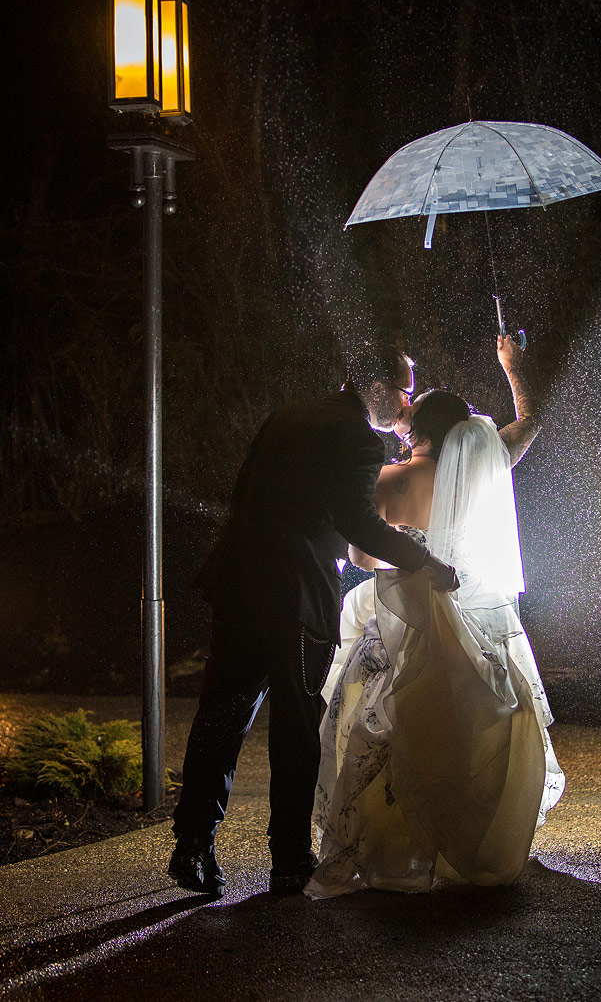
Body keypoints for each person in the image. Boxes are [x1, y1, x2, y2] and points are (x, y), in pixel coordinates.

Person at [168, 343, 458, 899]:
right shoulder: (356, 439)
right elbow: (362, 526)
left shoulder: (289, 414)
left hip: (238, 582)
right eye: (402, 390)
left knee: (219, 716)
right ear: (374, 387)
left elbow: (243, 490)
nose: (404, 407)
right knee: (297, 726)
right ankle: (289, 861)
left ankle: (193, 843)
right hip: (296, 596)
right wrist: (426, 562)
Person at [307, 334, 565, 898]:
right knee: (469, 729)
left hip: (403, 628)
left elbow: (360, 556)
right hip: (470, 623)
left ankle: (394, 844)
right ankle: (470, 834)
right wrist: (514, 368)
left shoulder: (388, 480)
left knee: (386, 733)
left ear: (415, 431)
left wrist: (411, 559)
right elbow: (529, 424)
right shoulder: (481, 471)